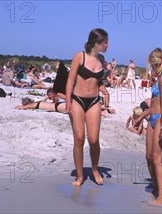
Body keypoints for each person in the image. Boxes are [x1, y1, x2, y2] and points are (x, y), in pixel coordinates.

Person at [65, 28, 109, 187]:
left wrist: (105, 90)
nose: (107, 45)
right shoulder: (79, 56)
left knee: (94, 140)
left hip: (94, 102)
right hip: (77, 100)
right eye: (105, 42)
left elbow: (98, 81)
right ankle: (80, 176)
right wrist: (68, 101)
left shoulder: (102, 59)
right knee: (79, 138)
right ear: (97, 43)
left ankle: (95, 169)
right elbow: (70, 80)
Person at [145, 48, 162, 207]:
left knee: (157, 159)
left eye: (151, 64)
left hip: (161, 119)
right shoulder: (161, 78)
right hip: (153, 118)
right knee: (149, 157)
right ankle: (156, 187)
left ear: (155, 63)